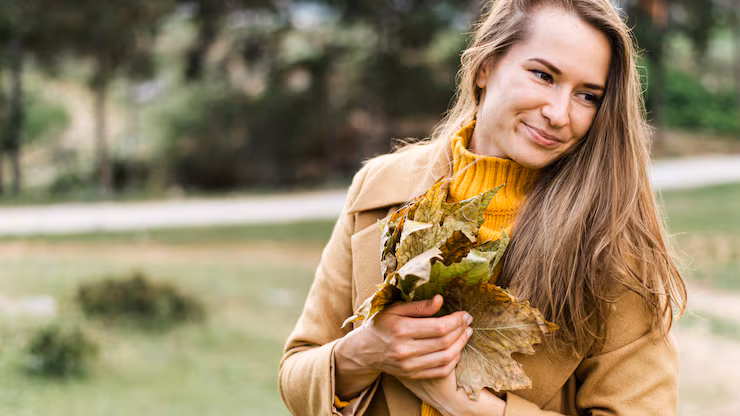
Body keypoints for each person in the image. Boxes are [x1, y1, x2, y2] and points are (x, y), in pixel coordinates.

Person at [279, 0, 687, 414]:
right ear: (485, 66)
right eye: (544, 76)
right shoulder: (378, 189)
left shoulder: (610, 244)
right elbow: (297, 374)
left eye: (587, 95)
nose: (559, 114)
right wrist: (363, 353)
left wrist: (469, 406)